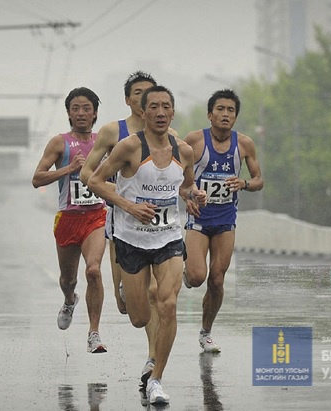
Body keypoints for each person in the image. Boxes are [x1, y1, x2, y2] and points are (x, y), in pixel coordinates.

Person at [88, 85, 207, 404]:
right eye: (153, 106)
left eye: (166, 106)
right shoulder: (128, 147)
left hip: (167, 237)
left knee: (167, 303)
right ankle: (132, 291)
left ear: (172, 112)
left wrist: (195, 195)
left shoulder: (184, 151)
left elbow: (186, 184)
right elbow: (95, 181)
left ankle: (156, 378)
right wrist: (129, 206)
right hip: (130, 239)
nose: (160, 112)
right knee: (140, 316)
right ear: (143, 111)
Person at [80, 71, 180, 388]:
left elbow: (181, 179)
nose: (144, 99)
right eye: (138, 93)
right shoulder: (114, 132)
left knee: (161, 297)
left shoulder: (172, 137)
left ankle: (153, 360)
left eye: (150, 94)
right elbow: (87, 175)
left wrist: (190, 195)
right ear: (129, 99)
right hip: (120, 224)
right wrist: (124, 196)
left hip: (162, 233)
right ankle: (126, 292)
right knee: (131, 310)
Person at [183, 89, 263, 353]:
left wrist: (245, 183)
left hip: (226, 219)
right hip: (199, 218)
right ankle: (186, 272)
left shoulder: (244, 144)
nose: (225, 114)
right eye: (220, 109)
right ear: (210, 114)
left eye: (231, 110)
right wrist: (189, 195)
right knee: (197, 277)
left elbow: (259, 180)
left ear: (236, 117)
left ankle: (206, 332)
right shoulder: (194, 141)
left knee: (217, 279)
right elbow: (176, 176)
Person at [31, 87, 108, 354]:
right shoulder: (59, 143)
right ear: (68, 113)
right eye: (75, 108)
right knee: (68, 279)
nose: (81, 113)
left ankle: (94, 333)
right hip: (67, 218)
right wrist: (69, 169)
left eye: (87, 108)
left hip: (96, 216)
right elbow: (37, 179)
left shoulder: (104, 142)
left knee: (94, 270)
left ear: (95, 112)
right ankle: (68, 299)